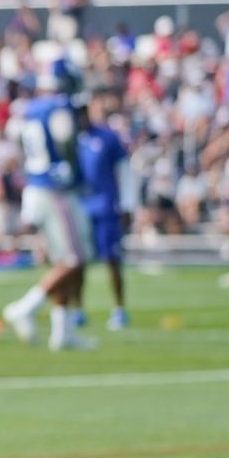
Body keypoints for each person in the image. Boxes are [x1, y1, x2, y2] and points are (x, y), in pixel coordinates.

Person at [2, 63, 93, 351]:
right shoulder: (59, 107)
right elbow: (65, 138)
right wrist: (73, 170)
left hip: (36, 186)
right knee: (74, 259)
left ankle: (62, 332)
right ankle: (25, 308)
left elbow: (17, 141)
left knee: (62, 261)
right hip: (54, 189)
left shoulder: (29, 108)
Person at [75, 94, 133, 329]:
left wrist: (127, 204)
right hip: (80, 207)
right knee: (76, 262)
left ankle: (119, 308)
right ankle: (77, 309)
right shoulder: (71, 141)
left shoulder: (107, 137)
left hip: (106, 206)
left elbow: (125, 171)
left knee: (112, 259)